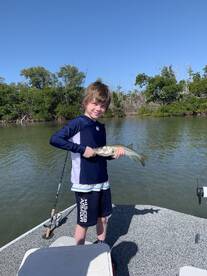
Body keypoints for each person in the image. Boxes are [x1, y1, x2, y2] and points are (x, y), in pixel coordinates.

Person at [50, 81, 125, 245]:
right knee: (83, 223)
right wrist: (82, 149)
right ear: (86, 102)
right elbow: (55, 139)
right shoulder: (78, 122)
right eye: (95, 103)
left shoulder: (100, 126)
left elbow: (101, 154)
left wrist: (113, 155)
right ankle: (79, 254)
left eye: (103, 106)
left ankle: (101, 246)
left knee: (103, 218)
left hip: (102, 182)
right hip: (84, 183)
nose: (98, 108)